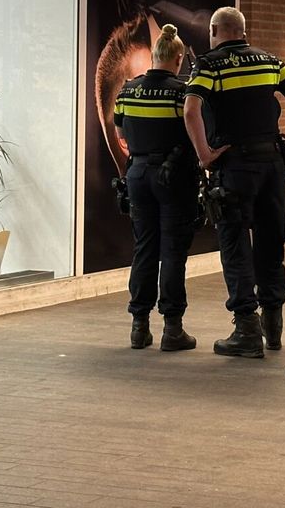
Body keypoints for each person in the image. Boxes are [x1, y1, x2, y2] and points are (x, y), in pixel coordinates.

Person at [183, 6, 285, 358]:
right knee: (271, 241)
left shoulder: (209, 65)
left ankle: (246, 329)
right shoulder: (268, 61)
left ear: (215, 30)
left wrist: (204, 155)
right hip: (272, 164)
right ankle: (273, 326)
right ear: (242, 31)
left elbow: (191, 109)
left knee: (235, 242)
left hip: (235, 165)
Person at [112, 24, 199, 351]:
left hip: (137, 175)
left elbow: (121, 134)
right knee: (173, 251)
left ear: (153, 56)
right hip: (173, 177)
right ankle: (172, 329)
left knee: (144, 248)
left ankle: (139, 326)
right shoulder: (182, 93)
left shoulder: (127, 91)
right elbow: (194, 133)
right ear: (178, 58)